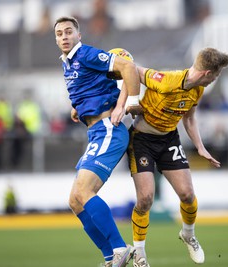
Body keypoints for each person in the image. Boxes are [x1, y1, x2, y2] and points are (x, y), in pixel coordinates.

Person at [127, 47, 228, 266]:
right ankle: (139, 252)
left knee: (187, 194)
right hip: (142, 140)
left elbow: (189, 119)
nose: (215, 79)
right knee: (145, 198)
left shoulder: (197, 90)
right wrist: (132, 100)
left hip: (168, 140)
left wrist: (200, 147)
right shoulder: (165, 81)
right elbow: (133, 69)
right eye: (216, 74)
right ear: (207, 74)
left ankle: (188, 234)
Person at [54, 16, 142, 267]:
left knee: (84, 191)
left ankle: (119, 248)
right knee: (74, 200)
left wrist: (127, 104)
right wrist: (78, 108)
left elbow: (129, 68)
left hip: (108, 130)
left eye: (69, 32)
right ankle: (110, 257)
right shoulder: (68, 63)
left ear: (78, 35)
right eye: (59, 34)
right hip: (95, 132)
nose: (64, 37)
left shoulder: (87, 54)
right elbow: (89, 87)